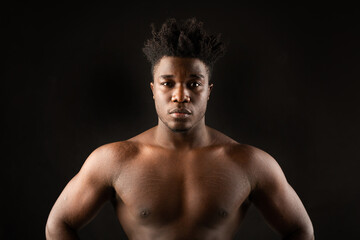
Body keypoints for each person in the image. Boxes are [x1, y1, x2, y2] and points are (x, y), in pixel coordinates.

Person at [45, 18, 314, 240]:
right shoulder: (115, 160)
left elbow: (300, 230)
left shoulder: (249, 163)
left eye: (194, 84)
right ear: (153, 90)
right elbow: (59, 224)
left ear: (208, 92)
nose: (180, 95)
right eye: (168, 83)